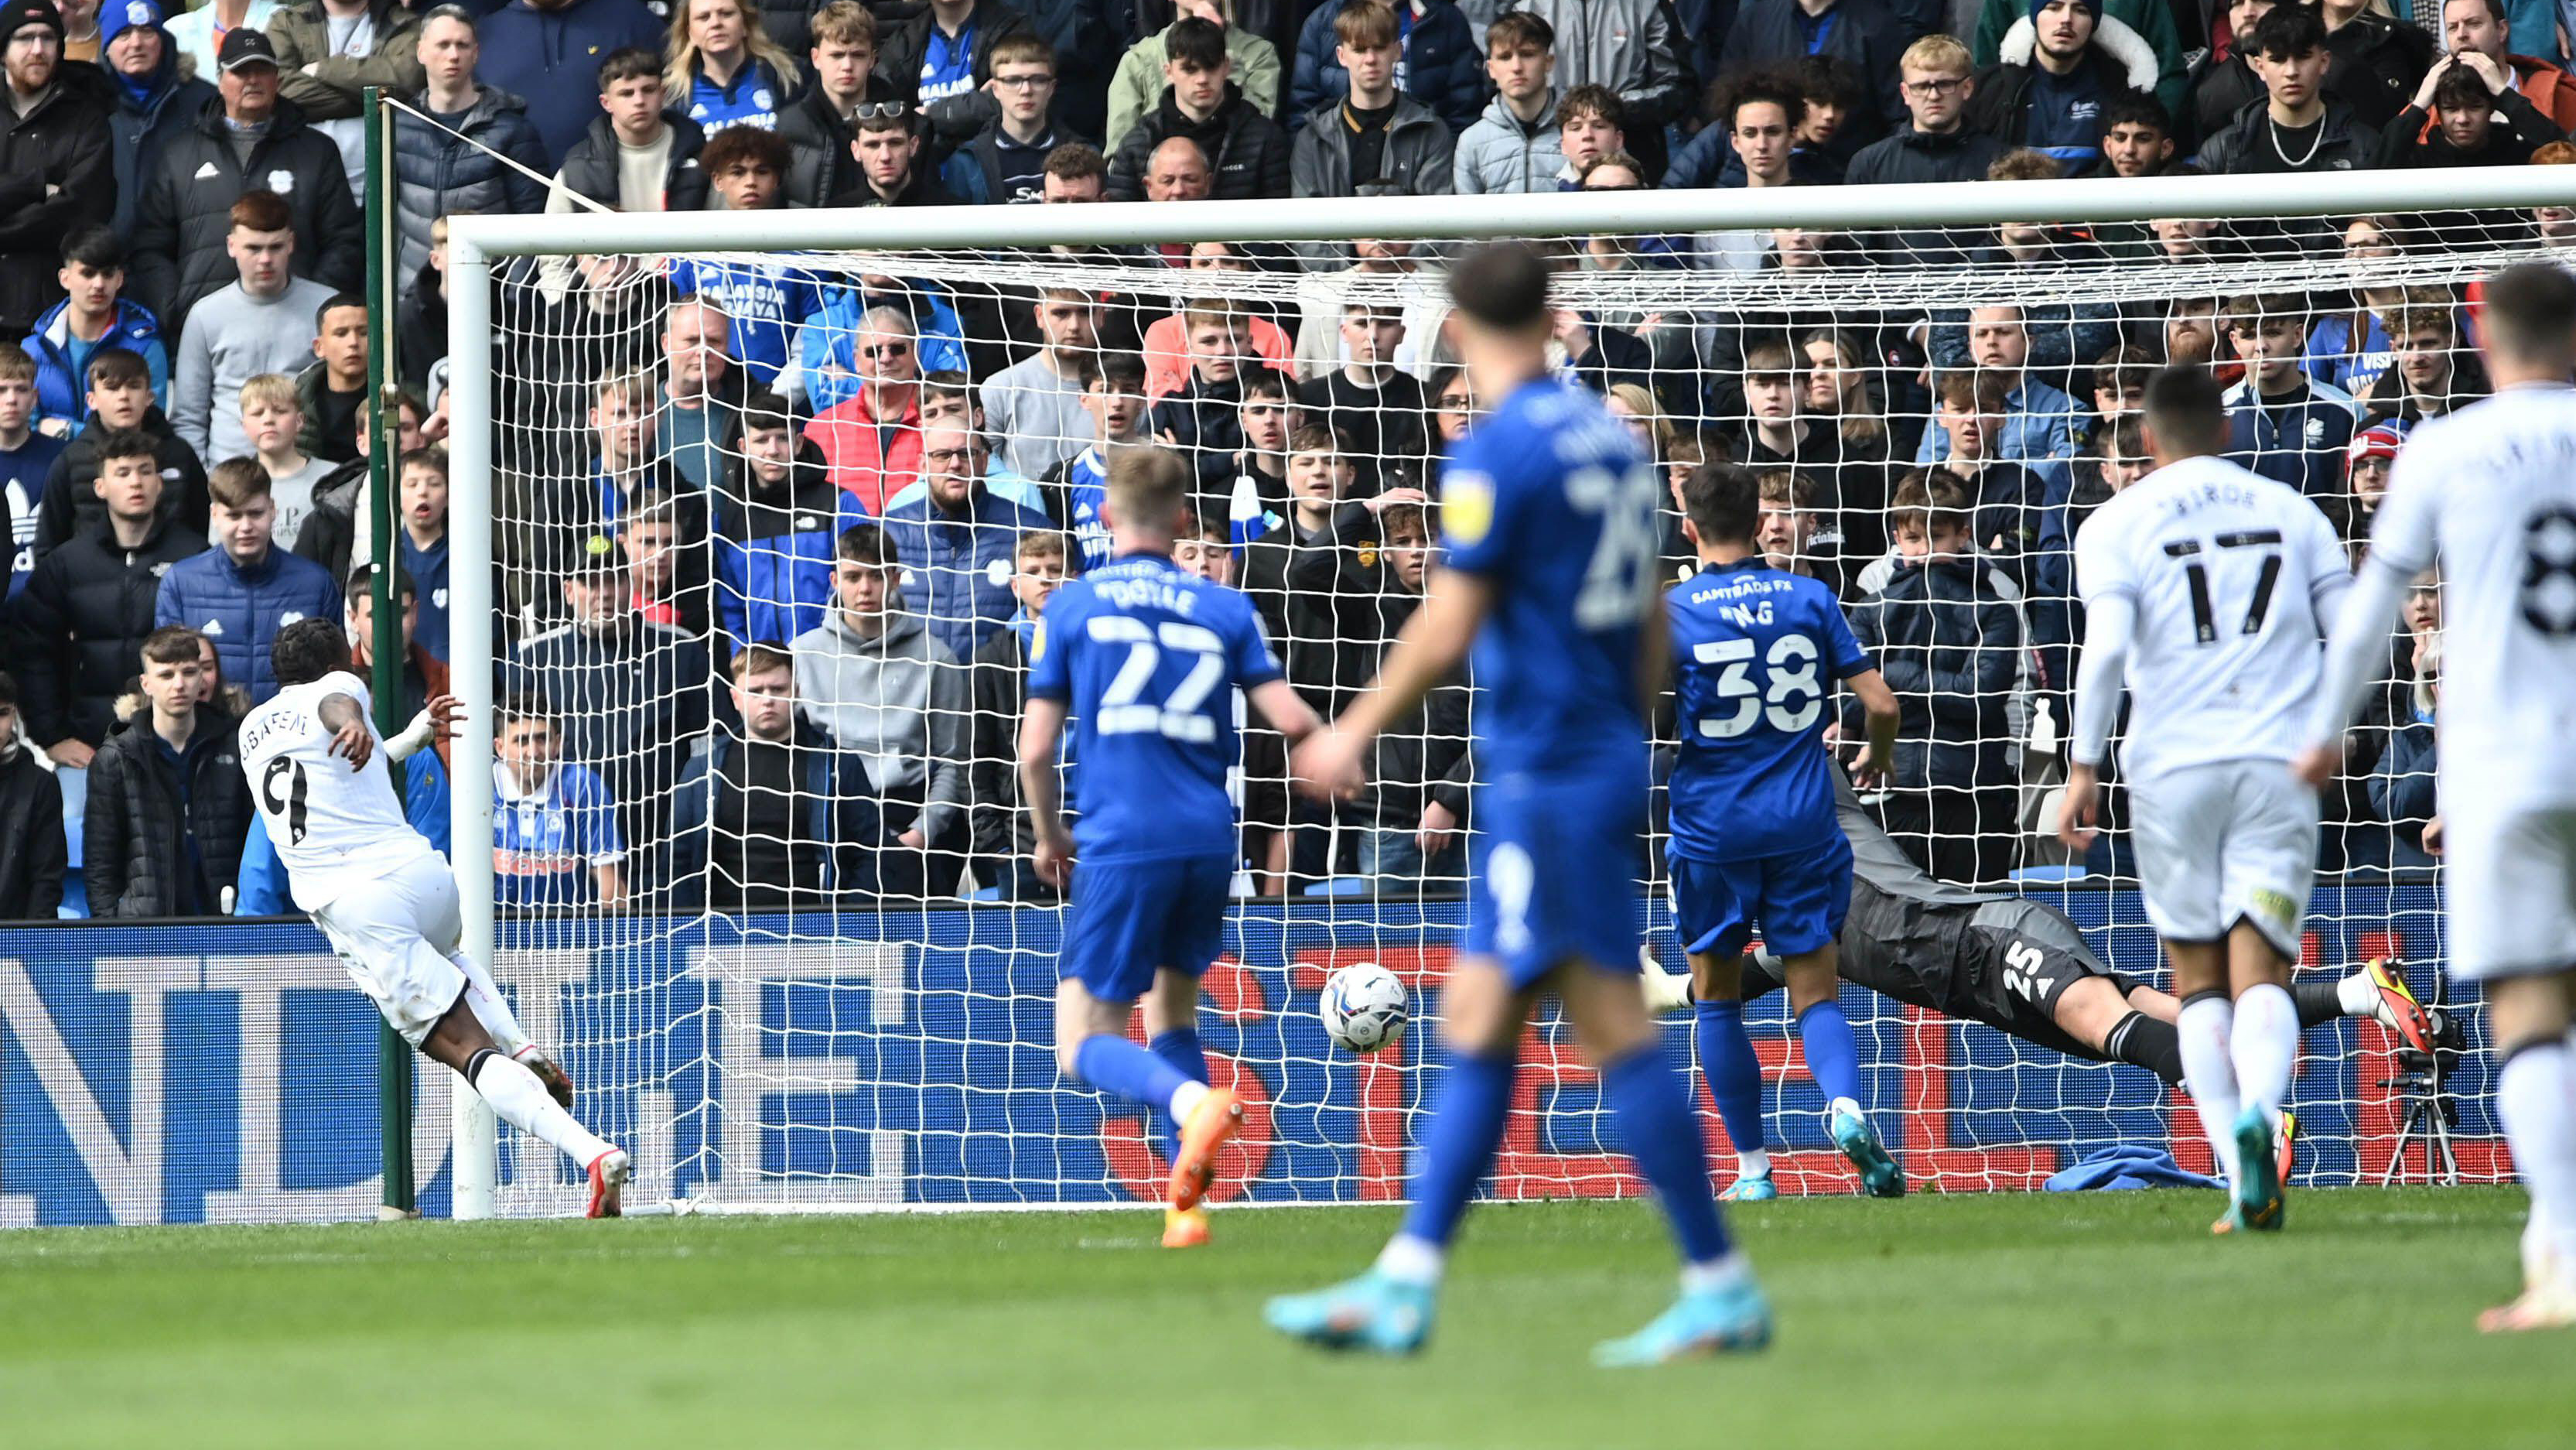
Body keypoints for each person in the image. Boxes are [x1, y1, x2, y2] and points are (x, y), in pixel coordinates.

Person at [1268, 243, 1766, 1364]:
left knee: (1607, 1024)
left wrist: (1351, 727)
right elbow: (1651, 619)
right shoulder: (1622, 447)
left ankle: (1717, 1276)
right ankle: (1408, 1277)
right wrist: (1621, 729)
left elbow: (1450, 621)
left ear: (1454, 326)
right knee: (1478, 1015)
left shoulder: (1495, 450)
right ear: (1549, 314)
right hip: (1592, 752)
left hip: (1544, 768)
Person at [2296, 262, 2576, 1329]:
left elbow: (2375, 595)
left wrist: (2324, 732)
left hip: (2503, 765)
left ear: (2481, 333)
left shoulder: (2447, 446)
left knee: (2526, 1011)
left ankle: (2556, 1255)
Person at [1643, 768, 2434, 1101]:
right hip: (1985, 983)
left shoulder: (1828, 825)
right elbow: (1743, 976)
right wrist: (1671, 992)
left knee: (2111, 1026)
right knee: (2180, 1019)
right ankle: (2362, 990)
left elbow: (1794, 765)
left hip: (1990, 934)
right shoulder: (1802, 940)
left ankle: (2250, 1119)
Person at [2057, 365, 2349, 1236]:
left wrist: (2082, 766)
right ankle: (2264, 1110)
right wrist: (2330, 728)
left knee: (2195, 980)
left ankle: (2235, 1169)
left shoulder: (2114, 521)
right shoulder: (2293, 509)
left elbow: (2106, 649)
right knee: (2263, 966)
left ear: (2146, 439)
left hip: (2171, 767)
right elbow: (2354, 624)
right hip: (2276, 761)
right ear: (2227, 429)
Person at [1018, 444, 1319, 1248]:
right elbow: (1292, 720)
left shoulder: (1073, 606)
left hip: (1123, 837)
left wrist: (1051, 835)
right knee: (1169, 1008)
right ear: (1184, 519)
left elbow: (1036, 751)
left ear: (1106, 518)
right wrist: (1339, 756)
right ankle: (1188, 1203)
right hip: (1208, 838)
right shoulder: (1222, 605)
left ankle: (1191, 1104)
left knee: (1082, 1041)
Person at [242, 618, 630, 1211]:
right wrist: (396, 731)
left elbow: (336, 719)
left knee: (466, 1053)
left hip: (360, 901)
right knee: (449, 955)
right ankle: (522, 1044)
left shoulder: (250, 731)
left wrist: (364, 726)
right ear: (342, 657)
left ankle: (593, 1155)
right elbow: (341, 716)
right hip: (425, 876)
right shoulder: (341, 690)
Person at [1664, 461, 1903, 1202]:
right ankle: (1846, 1109)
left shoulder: (1672, 611)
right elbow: (1883, 703)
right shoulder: (1809, 596)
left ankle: (1754, 1172)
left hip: (1712, 830)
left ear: (1690, 527)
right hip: (1803, 822)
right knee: (1816, 991)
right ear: (1761, 521)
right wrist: (1877, 758)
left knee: (1716, 997)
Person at [1847, 470, 2022, 884]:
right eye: (1914, 538)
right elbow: (1851, 704)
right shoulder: (1870, 609)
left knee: (1972, 930)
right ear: (1897, 538)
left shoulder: (1995, 609)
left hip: (1970, 792)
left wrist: (1892, 675)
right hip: (1894, 790)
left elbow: (1979, 698)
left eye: (1937, 536)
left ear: (1963, 534)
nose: (1925, 550)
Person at [128, 29, 361, 333]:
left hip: (295, 328)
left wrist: (314, 309)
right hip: (204, 329)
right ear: (220, 80)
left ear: (277, 78)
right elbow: (150, 245)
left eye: (262, 70)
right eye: (241, 71)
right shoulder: (178, 153)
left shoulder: (317, 150)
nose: (253, 80)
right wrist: (176, 307)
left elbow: (344, 241)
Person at [789, 522, 972, 899]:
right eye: (853, 577)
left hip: (907, 824)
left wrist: (923, 832)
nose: (865, 589)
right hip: (829, 827)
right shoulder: (802, 655)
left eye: (876, 576)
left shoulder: (937, 658)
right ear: (835, 580)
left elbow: (952, 761)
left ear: (896, 578)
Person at [501, 549, 712, 870]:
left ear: (631, 585)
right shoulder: (536, 658)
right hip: (563, 857)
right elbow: (508, 758)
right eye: (590, 582)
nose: (605, 592)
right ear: (569, 591)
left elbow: (709, 751)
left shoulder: (680, 650)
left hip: (660, 852)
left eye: (614, 579)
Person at [8, 427, 205, 763]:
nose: (135, 482)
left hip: (178, 746)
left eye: (145, 471)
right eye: (123, 473)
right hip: (89, 746)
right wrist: (53, 737)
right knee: (72, 815)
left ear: (160, 483)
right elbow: (33, 652)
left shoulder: (196, 557)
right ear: (100, 487)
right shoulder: (66, 564)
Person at [663, 641, 881, 911]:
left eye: (777, 689)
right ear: (735, 698)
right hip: (722, 933)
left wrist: (847, 925)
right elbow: (677, 862)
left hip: (817, 931)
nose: (767, 700)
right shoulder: (702, 769)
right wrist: (691, 930)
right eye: (755, 691)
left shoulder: (836, 765)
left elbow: (871, 854)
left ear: (796, 692)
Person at [83, 624, 251, 915]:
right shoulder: (117, 757)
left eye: (188, 672)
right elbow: (100, 863)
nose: (179, 685)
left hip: (225, 922)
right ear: (146, 683)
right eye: (166, 675)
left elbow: (252, 843)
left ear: (201, 678)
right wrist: (110, 929)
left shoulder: (236, 745)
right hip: (145, 931)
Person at [152, 459, 340, 703]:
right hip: (210, 735)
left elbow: (337, 676)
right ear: (215, 515)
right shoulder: (180, 583)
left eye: (255, 513)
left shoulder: (316, 584)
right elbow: (166, 675)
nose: (246, 527)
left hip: (291, 734)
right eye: (234, 516)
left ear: (273, 510)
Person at [170, 193, 337, 467]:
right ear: (231, 246)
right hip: (227, 477)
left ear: (291, 244)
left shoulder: (327, 309)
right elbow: (189, 416)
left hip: (309, 472)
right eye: (253, 248)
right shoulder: (205, 315)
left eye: (275, 247)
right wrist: (202, 485)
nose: (265, 260)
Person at [390, 8, 548, 280]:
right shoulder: (396, 126)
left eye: (462, 45)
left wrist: (513, 297)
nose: (453, 55)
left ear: (475, 54)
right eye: (443, 45)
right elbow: (377, 222)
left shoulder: (512, 129)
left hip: (491, 292)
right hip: (414, 294)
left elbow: (533, 228)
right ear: (421, 52)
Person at [880, 421, 1052, 662]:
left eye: (965, 454)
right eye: (941, 455)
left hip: (997, 693)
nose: (955, 464)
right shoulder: (888, 532)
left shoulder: (1030, 530)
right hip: (910, 693)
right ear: (923, 465)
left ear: (983, 462)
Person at [0, 0, 114, 340]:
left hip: (51, 310)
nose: (38, 49)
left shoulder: (86, 117)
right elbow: (54, 207)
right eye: (25, 38)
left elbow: (83, 210)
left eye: (48, 38)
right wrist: (38, 187)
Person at [1844, 35, 2008, 262]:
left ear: (1967, 87)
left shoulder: (2000, 161)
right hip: (1892, 296)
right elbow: (1857, 254)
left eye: (1945, 84)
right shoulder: (1869, 163)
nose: (1933, 95)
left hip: (1978, 295)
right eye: (1921, 86)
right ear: (1905, 93)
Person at [28, 346, 207, 555]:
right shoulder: (71, 461)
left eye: (134, 386)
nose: (124, 396)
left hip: (169, 577)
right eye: (112, 387)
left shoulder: (180, 454)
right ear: (91, 400)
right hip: (90, 582)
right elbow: (48, 545)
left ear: (149, 397)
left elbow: (200, 532)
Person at [1106, 15, 1291, 200]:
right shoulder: (1138, 143)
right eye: (1190, 69)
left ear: (1226, 67)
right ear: (1169, 72)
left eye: (1211, 67)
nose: (1202, 79)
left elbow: (1282, 221)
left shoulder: (1265, 139)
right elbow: (1118, 223)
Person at [1963, 0, 2156, 173]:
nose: (2066, 19)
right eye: (2054, 7)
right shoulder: (1992, 89)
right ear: (2034, 18)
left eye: (2080, 10)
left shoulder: (2121, 91)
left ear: (2094, 24)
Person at [711, 391, 840, 647]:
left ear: (799, 443)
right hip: (761, 673)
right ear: (744, 448)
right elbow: (729, 608)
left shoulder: (837, 504)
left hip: (829, 663)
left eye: (782, 438)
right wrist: (745, 660)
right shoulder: (728, 521)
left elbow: (853, 587)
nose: (773, 450)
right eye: (761, 440)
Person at [266, 0, 426, 207]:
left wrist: (322, 70)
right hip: (301, 183)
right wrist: (371, 98)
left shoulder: (404, 24)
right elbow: (281, 93)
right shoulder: (287, 23)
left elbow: (406, 82)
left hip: (384, 190)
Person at [1289, 1, 1454, 199]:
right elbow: (1306, 223)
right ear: (1341, 56)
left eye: (1380, 48)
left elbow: (1433, 222)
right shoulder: (1312, 140)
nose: (1370, 59)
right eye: (1359, 50)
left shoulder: (1431, 133)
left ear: (1397, 51)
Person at [2195, 6, 2383, 177]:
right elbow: (2195, 213)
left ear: (2324, 62)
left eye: (2303, 57)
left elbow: (2389, 212)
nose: (2291, 72)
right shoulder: (2223, 149)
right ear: (2261, 68)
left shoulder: (2364, 145)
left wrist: (2370, 218)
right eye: (2278, 59)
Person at [1719, 0, 1908, 163]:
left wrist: (1871, 167)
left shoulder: (1876, 24)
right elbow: (1729, 103)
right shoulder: (1755, 21)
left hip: (1849, 173)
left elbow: (1898, 114)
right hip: (1763, 172)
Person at [23, 228, 170, 432]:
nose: (99, 284)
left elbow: (149, 428)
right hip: (46, 463)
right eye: (88, 273)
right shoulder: (34, 348)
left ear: (119, 279)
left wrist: (67, 431)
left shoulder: (146, 346)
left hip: (119, 462)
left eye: (107, 274)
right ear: (64, 278)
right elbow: (23, 426)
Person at [2220, 292, 2359, 498]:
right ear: (2235, 341)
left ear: (2297, 335)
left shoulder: (2344, 410)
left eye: (2273, 333)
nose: (2261, 346)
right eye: (2249, 336)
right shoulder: (2216, 415)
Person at [549, 46, 712, 216]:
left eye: (648, 90)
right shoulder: (576, 169)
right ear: (606, 103)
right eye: (627, 94)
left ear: (662, 94)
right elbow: (551, 239)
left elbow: (729, 232)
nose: (639, 101)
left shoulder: (702, 157)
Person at [97, 2, 214, 238]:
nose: (136, 43)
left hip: (185, 251)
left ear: (162, 38)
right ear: (107, 46)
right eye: (123, 34)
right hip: (109, 260)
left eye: (147, 31)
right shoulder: (88, 102)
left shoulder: (205, 101)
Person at [930, 33, 1085, 204]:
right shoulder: (966, 162)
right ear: (995, 89)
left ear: (1051, 88)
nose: (1026, 90)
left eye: (1038, 80)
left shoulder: (1085, 155)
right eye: (1013, 81)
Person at [1107, 0, 1281, 152]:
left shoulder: (1259, 53)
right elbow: (1119, 152)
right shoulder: (1138, 59)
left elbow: (1261, 127)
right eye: (1190, 69)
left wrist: (1218, 49)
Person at [1288, 0, 1479, 133]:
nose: (1370, 58)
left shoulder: (1444, 20)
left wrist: (1443, 160)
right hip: (1340, 162)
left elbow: (1464, 109)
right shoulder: (1323, 22)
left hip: (1425, 157)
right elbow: (1303, 114)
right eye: (1360, 49)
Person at [982, 288, 1098, 481]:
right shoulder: (1000, 388)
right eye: (1061, 313)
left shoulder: (1121, 395)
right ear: (1039, 315)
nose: (1074, 325)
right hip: (1017, 510)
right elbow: (982, 470)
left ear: (1101, 316)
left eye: (1085, 312)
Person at [776, 2, 886, 207]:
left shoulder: (904, 123)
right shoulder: (787, 128)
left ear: (872, 59)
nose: (847, 66)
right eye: (837, 55)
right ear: (816, 58)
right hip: (813, 237)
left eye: (858, 55)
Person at [1454, 9, 1562, 194]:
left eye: (1527, 54)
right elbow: (1467, 221)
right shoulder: (1472, 142)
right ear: (1491, 69)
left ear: (1549, 61)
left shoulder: (1580, 131)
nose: (1517, 67)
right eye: (1505, 57)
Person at [2441, 0, 2576, 135]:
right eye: (2453, 28)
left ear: (2502, 30)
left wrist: (2504, 94)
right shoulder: (2438, 102)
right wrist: (2420, 107)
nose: (2461, 35)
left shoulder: (2557, 93)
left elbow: (2568, 151)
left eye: (2474, 24)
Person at [667, 0, 798, 135]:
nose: (715, 23)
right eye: (704, 17)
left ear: (745, 25)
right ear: (690, 33)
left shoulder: (783, 78)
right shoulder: (676, 98)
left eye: (726, 14)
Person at [876, 0, 1033, 110]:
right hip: (927, 155)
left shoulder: (1010, 29)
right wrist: (976, 103)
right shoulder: (901, 47)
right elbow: (892, 119)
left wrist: (931, 114)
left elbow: (1011, 98)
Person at [0, 669, 67, 918]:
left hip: (16, 944)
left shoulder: (41, 785)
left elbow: (46, 881)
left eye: (2, 713)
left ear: (14, 714)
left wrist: (29, 946)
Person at [294, 294, 366, 463]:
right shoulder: (294, 401)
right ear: (319, 347)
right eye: (341, 334)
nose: (353, 342)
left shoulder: (401, 400)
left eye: (364, 333)